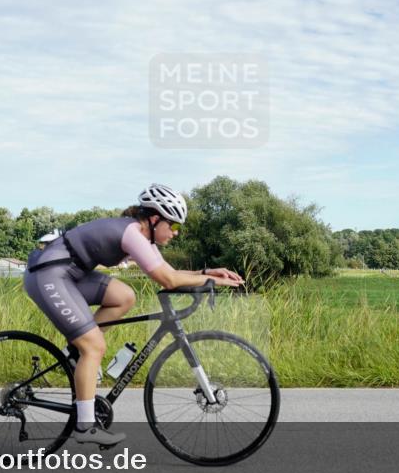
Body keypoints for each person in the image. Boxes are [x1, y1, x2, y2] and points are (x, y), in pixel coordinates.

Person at [23, 184, 244, 446]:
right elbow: (168, 280)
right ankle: (84, 425)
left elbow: (169, 273)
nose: (175, 233)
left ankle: (74, 354)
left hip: (70, 274)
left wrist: (209, 272)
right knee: (94, 347)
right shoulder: (132, 234)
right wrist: (213, 281)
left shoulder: (140, 236)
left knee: (124, 296)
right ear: (154, 219)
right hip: (48, 274)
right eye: (173, 226)